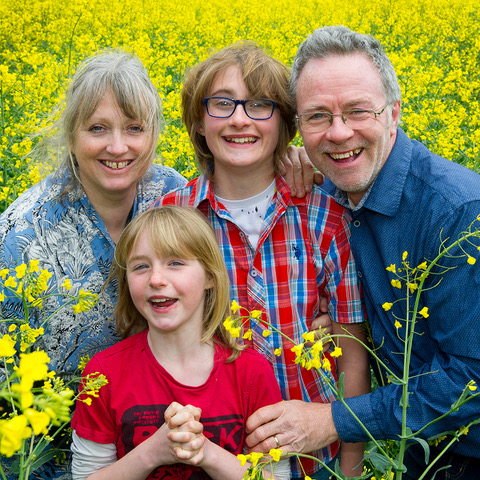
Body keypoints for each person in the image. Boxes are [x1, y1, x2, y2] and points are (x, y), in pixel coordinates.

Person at [245, 26, 480, 479]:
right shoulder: (325, 192)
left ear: (393, 113)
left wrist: (331, 421)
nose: (338, 133)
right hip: (412, 447)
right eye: (317, 117)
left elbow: (472, 379)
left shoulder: (457, 214)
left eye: (357, 111)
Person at [154, 42, 370, 479]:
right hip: (205, 457)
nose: (239, 119)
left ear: (285, 125)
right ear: (198, 121)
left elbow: (352, 355)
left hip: (314, 459)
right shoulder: (172, 217)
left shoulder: (325, 217)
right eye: (221, 104)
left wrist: (351, 468)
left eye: (260, 105)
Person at [0, 49, 185, 478]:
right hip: (52, 458)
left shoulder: (176, 196)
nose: (118, 147)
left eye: (134, 128)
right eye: (98, 128)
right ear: (71, 134)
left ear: (154, 133)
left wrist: (295, 162)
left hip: (172, 447)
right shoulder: (19, 236)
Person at [70, 205, 290, 480]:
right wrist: (153, 451)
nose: (156, 280)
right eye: (140, 266)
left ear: (210, 276)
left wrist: (205, 452)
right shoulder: (103, 373)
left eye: (175, 262)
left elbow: (275, 476)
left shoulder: (252, 373)